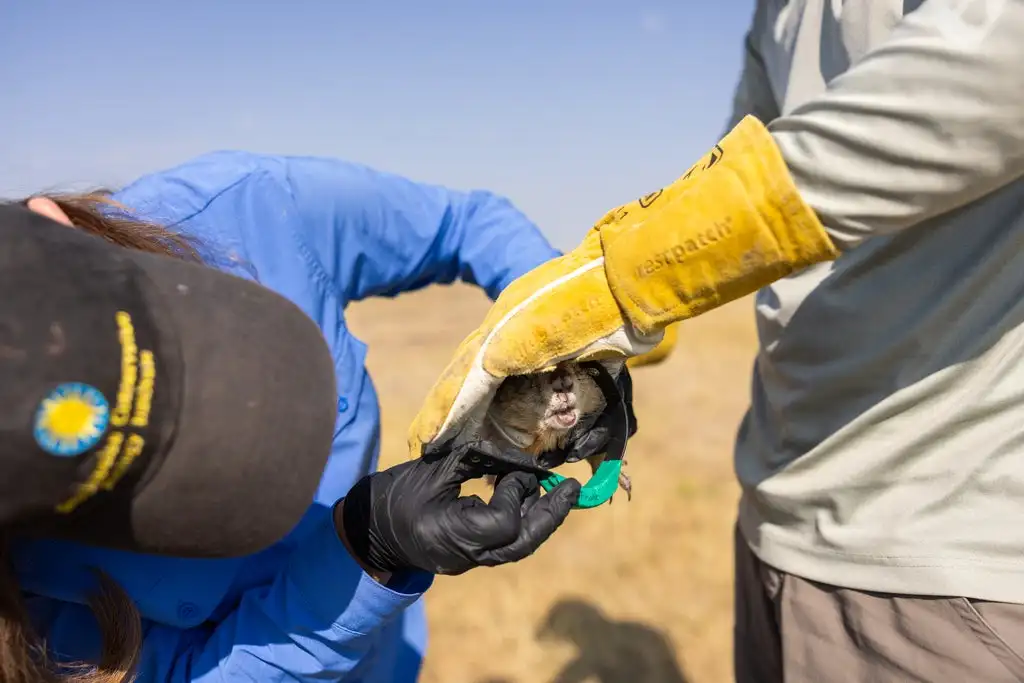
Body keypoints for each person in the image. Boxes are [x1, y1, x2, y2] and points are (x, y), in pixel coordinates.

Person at [412, 0, 1024, 680]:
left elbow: (991, 75)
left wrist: (625, 283)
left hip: (938, 555)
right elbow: (741, 162)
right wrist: (638, 329)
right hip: (775, 514)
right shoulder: (780, 12)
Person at [0, 153, 641, 683]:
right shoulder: (22, 610)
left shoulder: (245, 212)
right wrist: (367, 551)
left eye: (185, 358)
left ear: (59, 227)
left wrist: (564, 349)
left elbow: (464, 224)